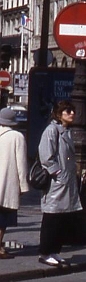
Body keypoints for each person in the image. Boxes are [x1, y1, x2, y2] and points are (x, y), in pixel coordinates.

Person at [37, 100, 83, 267]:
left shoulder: (65, 131)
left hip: (65, 181)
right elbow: (46, 156)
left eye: (72, 111)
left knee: (62, 218)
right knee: (51, 218)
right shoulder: (51, 131)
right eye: (67, 111)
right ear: (58, 114)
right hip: (57, 184)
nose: (72, 113)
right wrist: (58, 173)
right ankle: (44, 252)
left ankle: (54, 250)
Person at [0, 108, 29, 260]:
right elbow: (21, 164)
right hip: (6, 183)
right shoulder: (17, 137)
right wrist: (23, 186)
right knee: (3, 217)